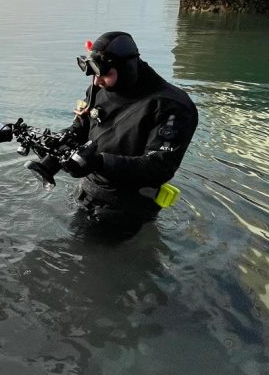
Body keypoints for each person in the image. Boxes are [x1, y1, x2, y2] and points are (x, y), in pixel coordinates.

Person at [31, 31, 198, 237]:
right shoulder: (98, 88)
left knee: (90, 258)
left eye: (103, 74)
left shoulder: (172, 106)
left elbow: (159, 167)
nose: (96, 81)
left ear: (127, 69)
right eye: (93, 74)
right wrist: (57, 143)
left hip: (128, 207)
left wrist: (99, 162)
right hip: (88, 190)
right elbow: (81, 128)